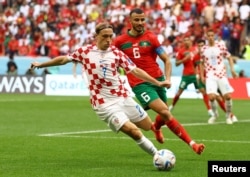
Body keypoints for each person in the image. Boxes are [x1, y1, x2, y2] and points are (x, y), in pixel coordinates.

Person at [30, 22, 172, 157]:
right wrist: (41, 65)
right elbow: (63, 59)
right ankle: (157, 155)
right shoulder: (85, 52)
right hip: (104, 104)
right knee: (134, 131)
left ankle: (156, 130)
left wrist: (157, 83)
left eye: (111, 36)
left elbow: (135, 71)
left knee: (147, 126)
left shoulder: (116, 53)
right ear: (96, 36)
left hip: (123, 97)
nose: (108, 40)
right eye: (105, 36)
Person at [113, 8, 205, 155]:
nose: (140, 22)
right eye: (136, 20)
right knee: (165, 112)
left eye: (142, 19)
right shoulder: (120, 42)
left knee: (164, 113)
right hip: (139, 83)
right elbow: (113, 61)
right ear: (130, 21)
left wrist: (167, 78)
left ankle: (156, 127)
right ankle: (192, 144)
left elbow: (167, 60)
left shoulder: (151, 37)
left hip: (159, 80)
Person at [168, 36, 213, 119]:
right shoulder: (181, 51)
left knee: (203, 91)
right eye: (184, 40)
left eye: (187, 40)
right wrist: (184, 59)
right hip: (186, 75)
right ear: (183, 42)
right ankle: (172, 106)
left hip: (196, 74)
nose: (186, 41)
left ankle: (209, 110)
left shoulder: (195, 49)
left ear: (190, 41)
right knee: (179, 92)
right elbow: (176, 63)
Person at [200, 29, 238, 124]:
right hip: (210, 75)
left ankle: (228, 116)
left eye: (212, 35)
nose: (211, 37)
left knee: (228, 96)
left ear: (214, 36)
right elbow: (201, 63)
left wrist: (232, 70)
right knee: (212, 97)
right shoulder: (203, 49)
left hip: (221, 75)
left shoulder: (220, 46)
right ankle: (215, 114)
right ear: (206, 37)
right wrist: (201, 76)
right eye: (209, 35)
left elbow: (229, 57)